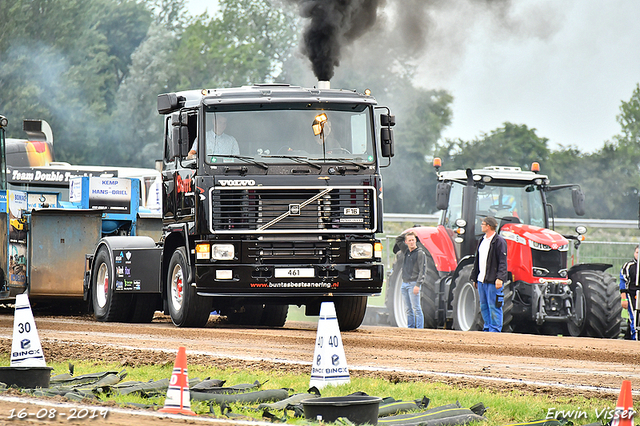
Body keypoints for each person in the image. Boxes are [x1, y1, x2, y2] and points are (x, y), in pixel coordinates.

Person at [470, 216, 508, 332]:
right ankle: (487, 329)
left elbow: (502, 261)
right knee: (484, 306)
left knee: (494, 306)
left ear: (489, 226)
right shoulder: (482, 240)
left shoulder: (499, 242)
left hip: (493, 281)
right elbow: (478, 260)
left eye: (483, 224)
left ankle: (495, 330)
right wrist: (475, 277)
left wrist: (500, 278)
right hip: (482, 280)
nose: (481, 226)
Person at [401, 231, 427, 329]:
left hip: (413, 284)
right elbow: (398, 240)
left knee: (416, 308)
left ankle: (419, 329)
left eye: (413, 240)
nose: (411, 242)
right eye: (409, 240)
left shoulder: (420, 253)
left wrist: (417, 284)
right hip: (404, 284)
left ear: (416, 240)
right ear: (406, 242)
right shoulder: (406, 252)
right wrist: (406, 232)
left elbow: (422, 270)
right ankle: (410, 328)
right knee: (408, 309)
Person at [620, 245, 639, 340]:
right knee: (634, 317)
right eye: (637, 252)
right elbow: (623, 282)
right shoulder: (628, 266)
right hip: (632, 294)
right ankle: (635, 339)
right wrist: (624, 298)